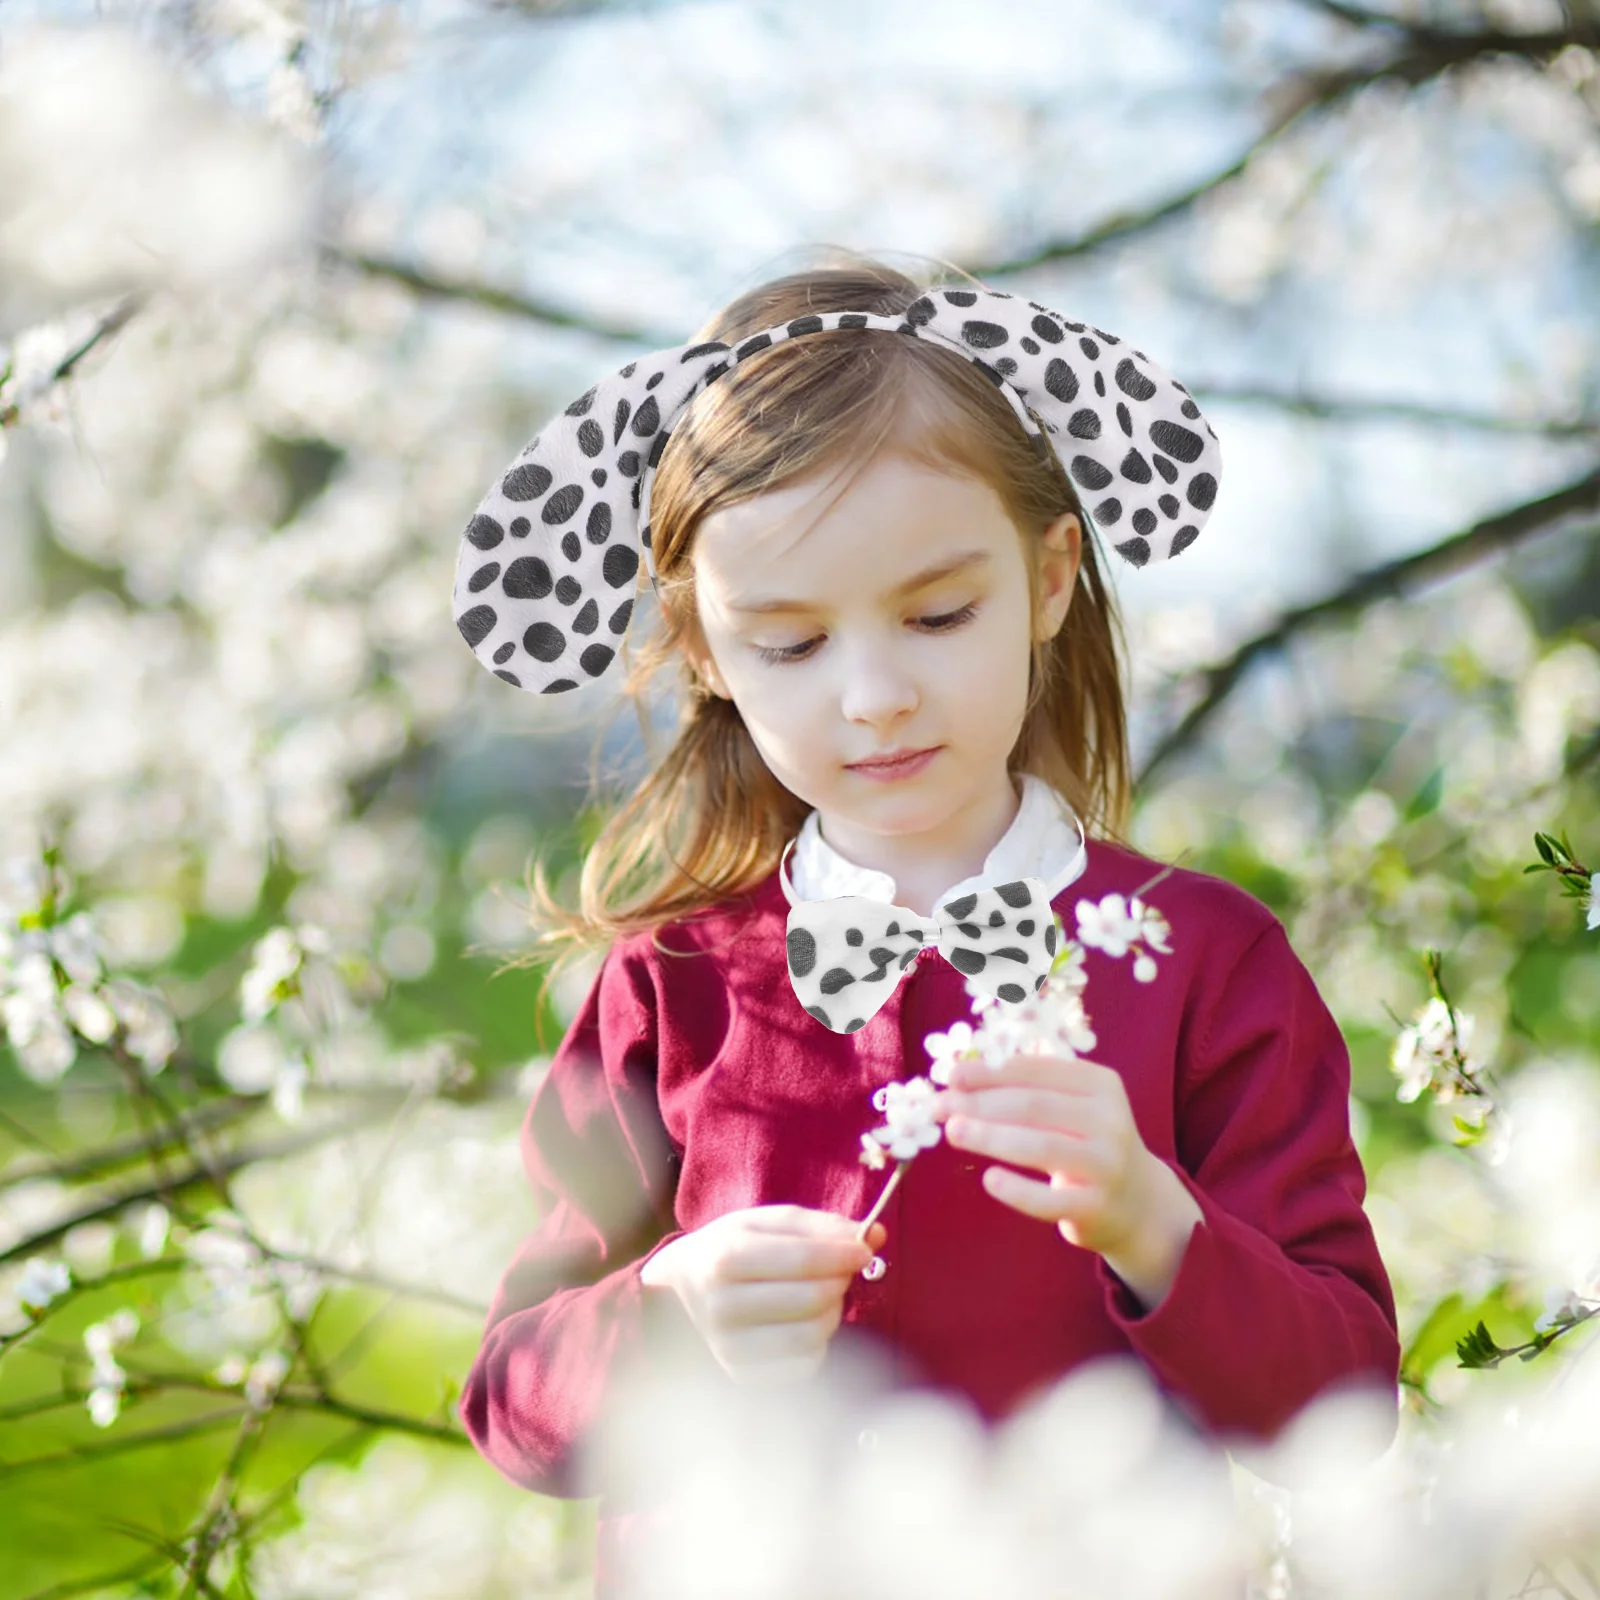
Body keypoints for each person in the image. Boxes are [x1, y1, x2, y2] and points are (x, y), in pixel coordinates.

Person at [451, 252, 1401, 1594]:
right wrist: (669, 1310)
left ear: (1052, 578)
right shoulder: (676, 987)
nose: (878, 693)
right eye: (791, 644)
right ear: (706, 648)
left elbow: (1340, 1405)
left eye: (939, 612)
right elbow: (511, 1401)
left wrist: (1154, 1226)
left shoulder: (1200, 961)